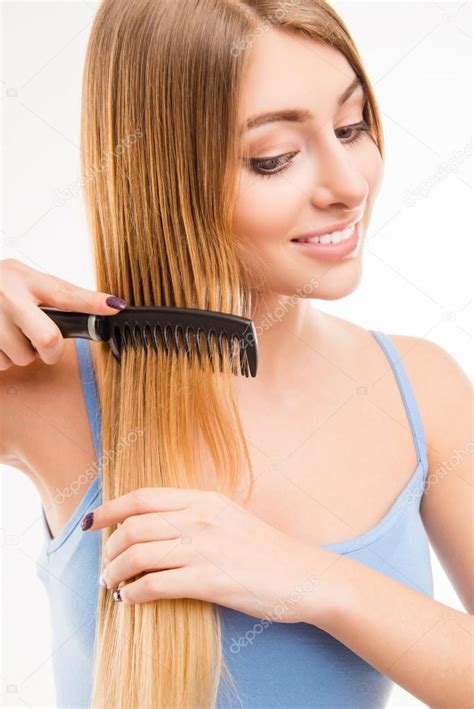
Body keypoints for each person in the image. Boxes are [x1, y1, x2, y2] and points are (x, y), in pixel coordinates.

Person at [1, 1, 472, 707]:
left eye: (352, 127)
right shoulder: (50, 387)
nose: (348, 186)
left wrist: (311, 580)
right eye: (274, 158)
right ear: (165, 174)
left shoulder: (421, 388)